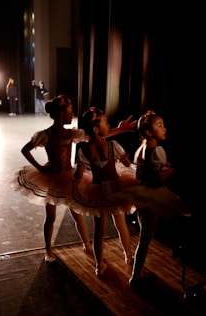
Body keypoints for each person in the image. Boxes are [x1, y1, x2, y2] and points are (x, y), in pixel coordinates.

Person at [12, 95, 136, 263]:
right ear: (61, 114)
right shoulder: (46, 135)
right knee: (51, 216)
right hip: (52, 178)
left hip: (69, 176)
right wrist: (40, 167)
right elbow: (25, 149)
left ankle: (86, 244)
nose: (72, 115)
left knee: (77, 213)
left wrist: (120, 129)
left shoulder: (72, 134)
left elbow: (96, 135)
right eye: (70, 112)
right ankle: (48, 249)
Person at [121, 110, 192, 286]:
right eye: (160, 125)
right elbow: (157, 179)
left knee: (144, 235)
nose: (164, 128)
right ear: (148, 132)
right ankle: (136, 276)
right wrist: (169, 172)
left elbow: (141, 173)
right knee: (146, 238)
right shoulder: (158, 150)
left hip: (141, 195)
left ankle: (138, 270)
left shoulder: (141, 149)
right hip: (153, 196)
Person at [71, 107, 137, 276]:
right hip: (115, 188)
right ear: (95, 129)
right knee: (120, 223)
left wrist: (77, 176)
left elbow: (79, 174)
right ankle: (128, 256)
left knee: (99, 231)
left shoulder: (83, 150)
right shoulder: (112, 145)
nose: (109, 125)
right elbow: (128, 164)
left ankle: (99, 265)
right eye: (106, 122)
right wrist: (126, 160)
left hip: (98, 190)